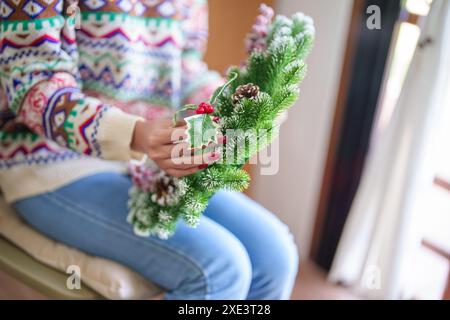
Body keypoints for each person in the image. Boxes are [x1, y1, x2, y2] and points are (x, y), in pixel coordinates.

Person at [0, 0, 298, 299]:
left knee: (275, 255)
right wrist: (133, 134)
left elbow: (185, 72)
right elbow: (34, 86)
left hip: (148, 159)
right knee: (218, 270)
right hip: (49, 161)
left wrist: (241, 101)